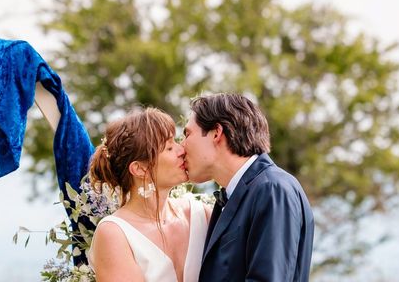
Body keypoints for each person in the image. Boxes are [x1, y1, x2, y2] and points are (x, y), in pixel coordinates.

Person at [182, 93, 315, 282]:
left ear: (216, 133)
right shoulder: (236, 195)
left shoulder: (273, 189)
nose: (182, 146)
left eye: (187, 134)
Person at [88, 107, 210, 282]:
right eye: (169, 147)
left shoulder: (201, 214)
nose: (181, 149)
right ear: (140, 169)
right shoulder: (114, 233)